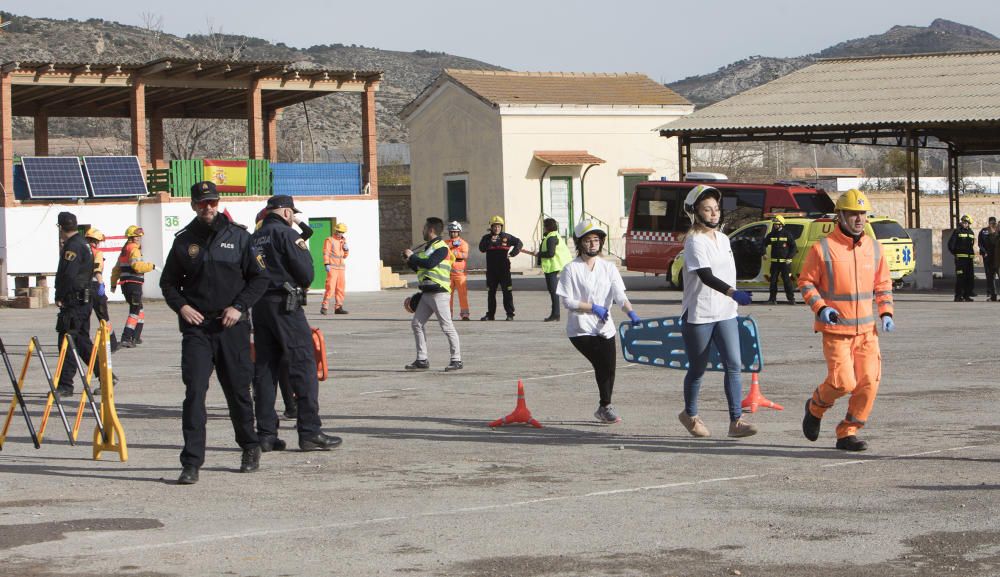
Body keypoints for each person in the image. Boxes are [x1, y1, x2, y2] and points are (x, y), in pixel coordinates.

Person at [159, 182, 269, 484]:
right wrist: (181, 307)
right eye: (202, 203)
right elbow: (168, 283)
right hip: (197, 329)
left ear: (218, 203)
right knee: (194, 393)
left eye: (212, 202)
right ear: (193, 205)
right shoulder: (184, 242)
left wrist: (239, 306)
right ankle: (192, 462)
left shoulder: (239, 237)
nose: (208, 207)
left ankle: (249, 446)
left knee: (237, 391)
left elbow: (259, 279)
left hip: (229, 326)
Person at [799, 188, 895, 452]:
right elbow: (806, 282)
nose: (859, 219)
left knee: (868, 384)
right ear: (839, 215)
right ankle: (815, 408)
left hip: (867, 332)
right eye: (853, 214)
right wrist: (820, 308)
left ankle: (847, 433)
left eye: (862, 213)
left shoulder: (874, 249)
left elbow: (883, 284)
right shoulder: (823, 249)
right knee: (843, 383)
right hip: (836, 331)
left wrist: (886, 312)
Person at [252, 194, 342, 452]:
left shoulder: (254, 237)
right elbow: (306, 274)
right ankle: (310, 431)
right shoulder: (288, 235)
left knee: (266, 370)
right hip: (285, 306)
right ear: (287, 213)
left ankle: (266, 434)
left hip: (260, 307)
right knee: (303, 365)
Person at [676, 185, 757, 439]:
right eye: (707, 209)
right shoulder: (693, 241)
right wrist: (733, 292)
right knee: (698, 369)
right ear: (695, 212)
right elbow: (706, 276)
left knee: (734, 364)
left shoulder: (723, 239)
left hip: (725, 312)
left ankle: (736, 421)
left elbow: (727, 271)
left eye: (716, 209)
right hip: (700, 313)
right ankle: (689, 414)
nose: (714, 214)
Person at [556, 219, 641, 423]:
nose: (593, 244)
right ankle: (606, 405)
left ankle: (605, 406)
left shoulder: (608, 267)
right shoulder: (571, 269)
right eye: (588, 240)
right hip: (581, 328)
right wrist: (593, 307)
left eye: (596, 240)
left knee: (610, 368)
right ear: (579, 243)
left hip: (605, 327)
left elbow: (619, 295)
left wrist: (631, 313)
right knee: (601, 364)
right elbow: (567, 301)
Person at [404, 217, 463, 371]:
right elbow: (422, 269)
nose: (422, 230)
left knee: (447, 327)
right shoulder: (428, 248)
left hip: (439, 293)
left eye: (424, 228)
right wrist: (410, 261)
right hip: (427, 293)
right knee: (416, 324)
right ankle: (422, 359)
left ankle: (456, 360)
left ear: (430, 230)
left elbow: (430, 263)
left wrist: (412, 256)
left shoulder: (441, 247)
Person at [53, 212, 94, 398]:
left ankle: (65, 385)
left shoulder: (73, 246)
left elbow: (68, 275)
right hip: (83, 300)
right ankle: (106, 375)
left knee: (66, 343)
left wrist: (60, 295)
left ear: (61, 228)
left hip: (74, 301)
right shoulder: (82, 242)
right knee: (82, 341)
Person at [110, 224, 155, 347]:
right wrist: (151, 266)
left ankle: (136, 337)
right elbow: (137, 266)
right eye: (138, 236)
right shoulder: (134, 250)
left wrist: (113, 284)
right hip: (134, 285)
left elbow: (116, 269)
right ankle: (126, 338)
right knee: (135, 311)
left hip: (126, 285)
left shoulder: (124, 251)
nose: (139, 239)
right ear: (132, 238)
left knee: (139, 309)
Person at [522, 218, 572, 321]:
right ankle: (555, 313)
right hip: (552, 266)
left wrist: (537, 254)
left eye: (544, 226)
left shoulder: (551, 238)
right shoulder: (552, 236)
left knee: (553, 291)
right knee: (553, 291)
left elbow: (550, 253)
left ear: (547, 227)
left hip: (552, 266)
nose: (543, 228)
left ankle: (555, 314)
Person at [478, 215, 523, 321]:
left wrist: (512, 253)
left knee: (507, 292)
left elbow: (519, 243)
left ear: (501, 227)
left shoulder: (506, 237)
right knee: (491, 293)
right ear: (491, 227)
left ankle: (510, 314)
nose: (497, 228)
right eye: (495, 226)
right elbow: (481, 249)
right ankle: (490, 314)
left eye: (499, 226)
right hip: (491, 271)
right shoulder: (486, 238)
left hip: (504, 270)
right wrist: (490, 241)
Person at [85, 228, 119, 353]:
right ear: (97, 241)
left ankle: (85, 345)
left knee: (85, 317)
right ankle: (112, 344)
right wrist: (101, 285)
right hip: (94, 286)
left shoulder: (82, 252)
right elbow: (97, 270)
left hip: (84, 288)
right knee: (103, 317)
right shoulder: (97, 253)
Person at [762, 214, 798, 305]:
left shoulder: (787, 234)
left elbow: (794, 247)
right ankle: (772, 299)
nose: (775, 225)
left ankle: (791, 299)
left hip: (785, 264)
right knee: (773, 282)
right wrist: (764, 253)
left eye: (777, 224)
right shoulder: (772, 234)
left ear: (781, 224)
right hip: (775, 263)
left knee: (787, 281)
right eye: (774, 224)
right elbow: (763, 243)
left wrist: (789, 258)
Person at [320, 222, 349, 315]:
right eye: (339, 231)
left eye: (342, 232)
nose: (340, 233)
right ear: (336, 230)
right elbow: (326, 252)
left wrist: (346, 249)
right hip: (332, 267)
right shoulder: (329, 240)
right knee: (330, 288)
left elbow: (344, 256)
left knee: (340, 288)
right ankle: (324, 307)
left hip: (341, 268)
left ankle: (338, 307)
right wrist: (326, 263)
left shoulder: (343, 241)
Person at [446, 221, 471, 321]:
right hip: (447, 274)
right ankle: (448, 315)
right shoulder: (445, 243)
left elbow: (465, 255)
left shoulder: (463, 243)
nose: (453, 233)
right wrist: (453, 250)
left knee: (463, 295)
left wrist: (452, 252)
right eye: (451, 231)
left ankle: (465, 314)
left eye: (455, 232)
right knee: (447, 296)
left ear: (459, 232)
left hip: (460, 274)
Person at [948, 214, 976, 302]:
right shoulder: (957, 232)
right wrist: (955, 253)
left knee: (969, 277)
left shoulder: (971, 232)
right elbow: (950, 244)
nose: (964, 223)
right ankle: (958, 296)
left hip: (969, 259)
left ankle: (966, 295)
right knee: (961, 277)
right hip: (960, 259)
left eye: (966, 222)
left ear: (969, 223)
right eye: (963, 221)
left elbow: (972, 244)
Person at [979, 216, 998, 301]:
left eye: (993, 222)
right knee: (990, 276)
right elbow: (980, 243)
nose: (992, 224)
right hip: (988, 257)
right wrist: (984, 252)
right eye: (991, 222)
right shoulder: (984, 231)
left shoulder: (998, 232)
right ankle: (991, 293)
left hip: (997, 258)